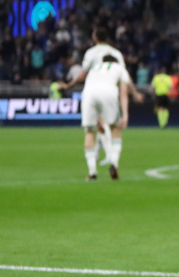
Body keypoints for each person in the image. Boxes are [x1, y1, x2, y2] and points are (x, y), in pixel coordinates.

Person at [60, 28, 140, 179]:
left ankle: (92, 172)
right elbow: (123, 91)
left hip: (89, 92)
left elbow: (82, 75)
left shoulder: (94, 63)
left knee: (90, 132)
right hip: (109, 92)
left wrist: (68, 85)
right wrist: (125, 114)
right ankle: (114, 163)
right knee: (115, 129)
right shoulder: (118, 63)